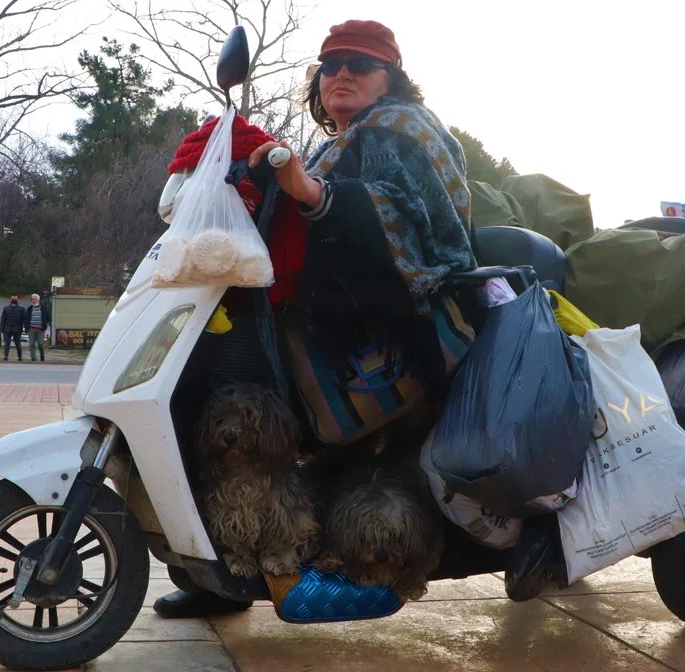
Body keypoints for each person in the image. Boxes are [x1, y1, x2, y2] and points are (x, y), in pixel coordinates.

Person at [153, 19, 478, 620]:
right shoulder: (341, 142)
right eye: (331, 66)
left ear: (392, 79)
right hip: (337, 323)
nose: (343, 75)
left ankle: (251, 561)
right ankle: (215, 563)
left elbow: (419, 228)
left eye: (360, 64)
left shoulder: (406, 132)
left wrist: (314, 194)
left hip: (395, 333)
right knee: (212, 383)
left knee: (238, 396)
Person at [24, 294, 51, 362]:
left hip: (40, 329)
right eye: (32, 299)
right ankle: (33, 358)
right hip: (31, 329)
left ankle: (42, 356)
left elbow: (48, 318)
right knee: (32, 344)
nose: (33, 300)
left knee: (40, 344)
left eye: (35, 299)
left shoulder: (44, 308)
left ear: (38, 300)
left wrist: (44, 325)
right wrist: (27, 327)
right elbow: (26, 319)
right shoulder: (29, 308)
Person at [0, 295, 25, 361]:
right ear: (10, 299)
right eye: (13, 298)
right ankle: (6, 356)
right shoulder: (6, 308)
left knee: (18, 344)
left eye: (15, 299)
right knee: (7, 344)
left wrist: (23, 328)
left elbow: (24, 319)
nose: (14, 300)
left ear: (18, 299)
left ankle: (20, 357)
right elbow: (3, 319)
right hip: (7, 328)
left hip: (17, 329)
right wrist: (1, 329)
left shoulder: (21, 309)